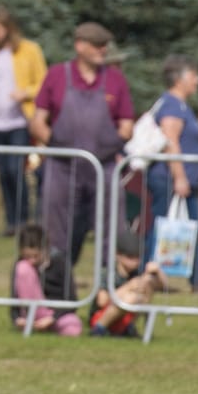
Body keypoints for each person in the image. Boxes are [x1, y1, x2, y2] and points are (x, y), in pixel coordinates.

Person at [29, 21, 134, 302]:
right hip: (63, 168)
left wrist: (112, 142)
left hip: (105, 169)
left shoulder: (115, 80)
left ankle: (106, 298)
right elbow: (38, 121)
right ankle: (56, 298)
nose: (103, 50)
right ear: (80, 46)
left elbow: (126, 125)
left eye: (105, 46)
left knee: (111, 234)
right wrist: (58, 144)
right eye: (98, 45)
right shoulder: (57, 76)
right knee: (57, 236)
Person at [140, 54, 198, 294]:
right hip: (169, 178)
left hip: (178, 178)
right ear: (180, 78)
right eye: (194, 75)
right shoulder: (172, 105)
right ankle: (147, 275)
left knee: (189, 228)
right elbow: (171, 141)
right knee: (163, 229)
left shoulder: (179, 105)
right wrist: (179, 177)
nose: (197, 80)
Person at [0, 7, 46, 235]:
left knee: (16, 170)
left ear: (8, 28)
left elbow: (44, 83)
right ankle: (11, 222)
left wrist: (25, 93)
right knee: (3, 172)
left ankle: (23, 220)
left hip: (19, 121)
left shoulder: (29, 50)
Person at [11, 223, 83, 336]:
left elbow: (72, 299)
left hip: (55, 314)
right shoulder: (21, 264)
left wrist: (52, 318)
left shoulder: (60, 262)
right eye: (27, 256)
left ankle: (47, 326)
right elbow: (14, 297)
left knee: (73, 328)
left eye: (35, 256)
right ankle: (31, 320)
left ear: (45, 249)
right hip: (29, 313)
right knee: (23, 268)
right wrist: (16, 319)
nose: (31, 261)